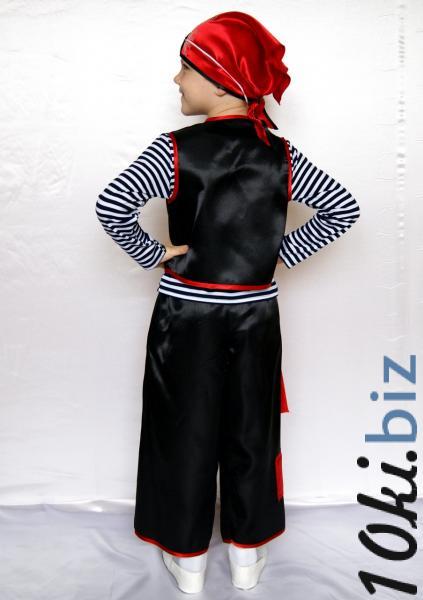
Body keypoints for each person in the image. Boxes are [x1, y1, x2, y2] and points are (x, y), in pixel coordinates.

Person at [95, 11, 360, 594]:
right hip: (255, 315)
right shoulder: (281, 155)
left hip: (186, 316)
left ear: (219, 80)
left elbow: (111, 206)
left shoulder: (174, 151)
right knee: (251, 431)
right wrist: (275, 255)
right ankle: (246, 555)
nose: (176, 80)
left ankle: (188, 561)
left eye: (185, 69)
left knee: (181, 429)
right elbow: (343, 209)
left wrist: (156, 254)